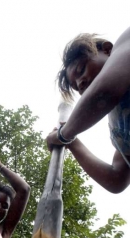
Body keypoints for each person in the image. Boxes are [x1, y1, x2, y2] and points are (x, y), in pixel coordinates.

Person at [46, 28, 130, 194]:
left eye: (81, 69)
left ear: (107, 50)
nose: (81, 83)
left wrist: (63, 135)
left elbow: (103, 93)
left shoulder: (126, 41)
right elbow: (117, 179)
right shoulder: (119, 128)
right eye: (77, 87)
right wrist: (72, 143)